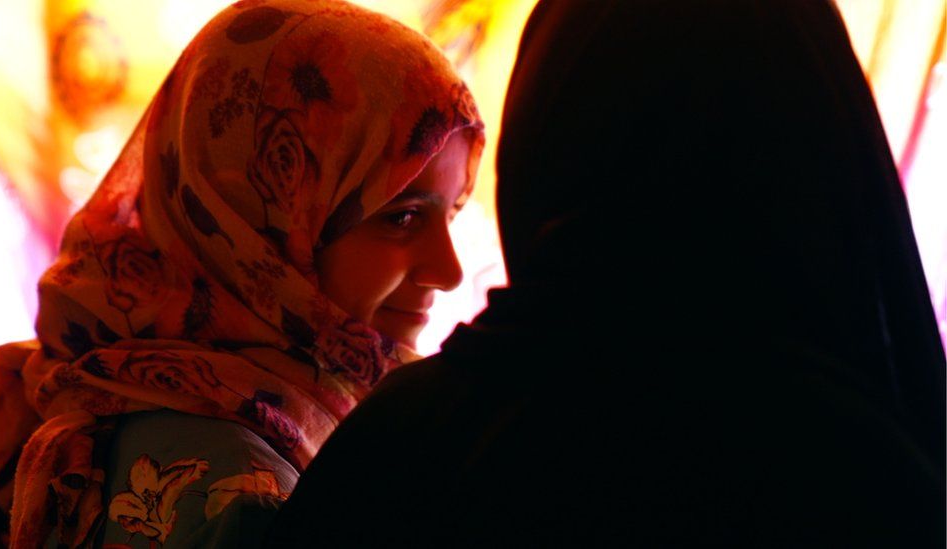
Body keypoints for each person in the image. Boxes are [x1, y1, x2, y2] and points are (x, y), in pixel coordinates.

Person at [264, 0, 945, 546]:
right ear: (823, 151)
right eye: (400, 214)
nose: (447, 270)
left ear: (549, 137)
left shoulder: (408, 449)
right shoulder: (873, 478)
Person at [0, 0, 484, 546]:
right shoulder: (242, 494)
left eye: (452, 213)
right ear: (257, 216)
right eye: (400, 217)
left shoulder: (51, 382)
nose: (449, 271)